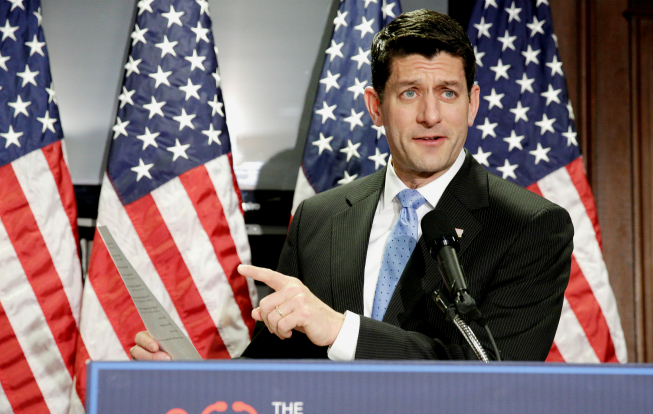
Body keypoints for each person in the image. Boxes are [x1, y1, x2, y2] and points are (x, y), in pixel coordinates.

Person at [132, 9, 573, 362]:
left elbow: (492, 373)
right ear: (375, 107)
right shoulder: (318, 219)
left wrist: (341, 331)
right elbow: (274, 366)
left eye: (448, 93)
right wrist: (184, 381)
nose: (431, 116)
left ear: (473, 104)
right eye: (409, 93)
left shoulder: (530, 226)